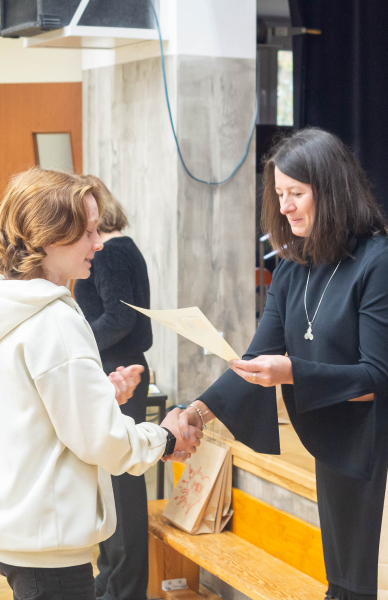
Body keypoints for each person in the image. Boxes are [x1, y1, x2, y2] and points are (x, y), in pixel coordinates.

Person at [179, 128, 388, 600]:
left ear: (332, 190)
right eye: (280, 194)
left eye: (296, 194)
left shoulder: (380, 264)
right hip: (333, 447)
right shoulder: (291, 268)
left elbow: (375, 378)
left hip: (380, 453)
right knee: (343, 583)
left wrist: (290, 372)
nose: (284, 207)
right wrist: (195, 415)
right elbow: (253, 361)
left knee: (376, 586)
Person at [0, 168, 200, 600]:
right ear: (49, 237)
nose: (98, 243)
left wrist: (98, 393)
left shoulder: (13, 307)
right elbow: (104, 441)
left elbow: (28, 409)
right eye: (88, 232)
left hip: (21, 531)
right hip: (50, 548)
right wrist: (165, 437)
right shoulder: (54, 320)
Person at [74, 175, 154, 600]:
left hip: (120, 371)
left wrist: (76, 340)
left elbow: (121, 319)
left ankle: (123, 587)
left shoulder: (107, 253)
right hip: (121, 367)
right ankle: (111, 578)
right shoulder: (124, 247)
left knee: (121, 486)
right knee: (113, 482)